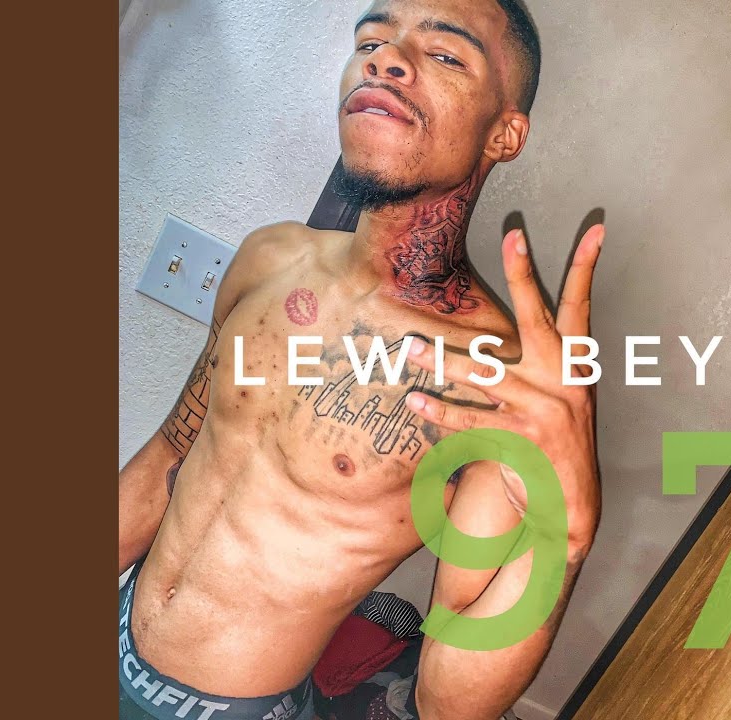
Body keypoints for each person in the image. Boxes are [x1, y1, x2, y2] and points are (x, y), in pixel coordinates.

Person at [119, 0, 603, 717]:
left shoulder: (497, 383)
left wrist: (562, 538)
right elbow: (170, 453)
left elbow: (446, 703)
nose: (386, 59)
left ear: (504, 133)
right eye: (371, 40)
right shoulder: (268, 258)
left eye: (445, 54)